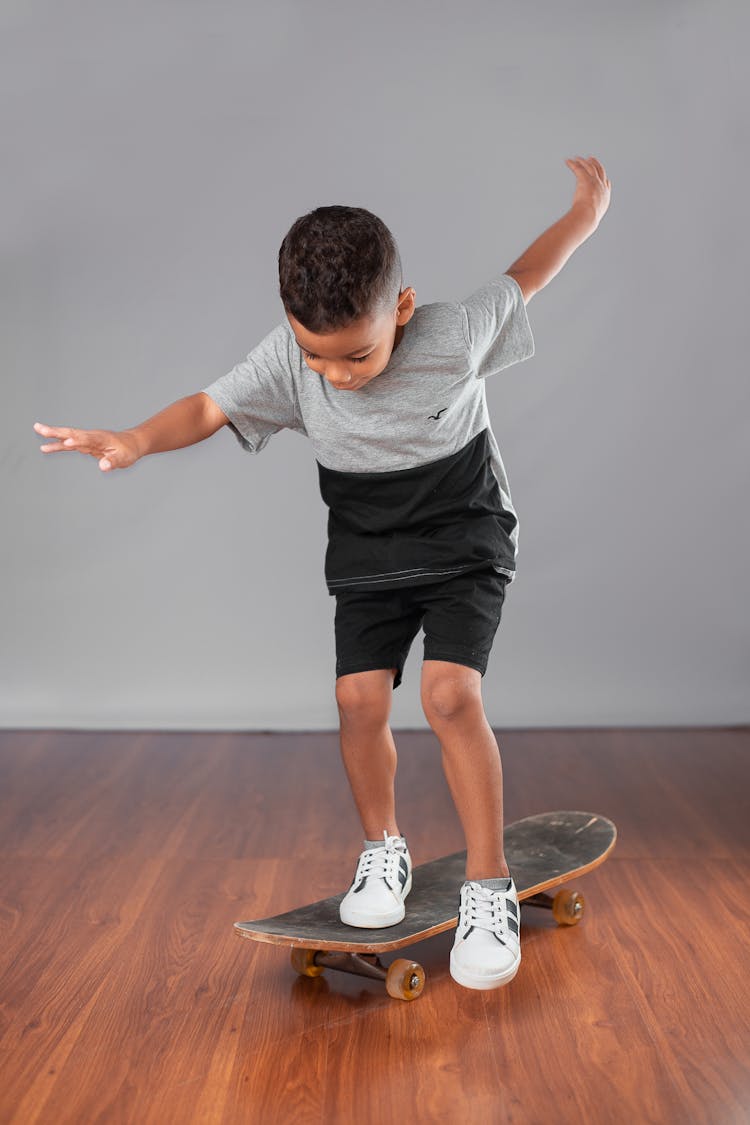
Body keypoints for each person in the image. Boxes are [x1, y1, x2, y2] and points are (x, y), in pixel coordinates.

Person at [33, 155, 611, 991]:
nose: (335, 377)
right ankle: (384, 853)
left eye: (358, 357)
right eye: (318, 359)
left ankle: (491, 884)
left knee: (449, 694)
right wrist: (132, 439)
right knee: (356, 698)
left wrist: (586, 214)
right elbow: (209, 406)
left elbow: (527, 274)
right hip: (369, 546)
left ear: (402, 310)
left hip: (463, 536)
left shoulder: (452, 332)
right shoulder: (290, 356)